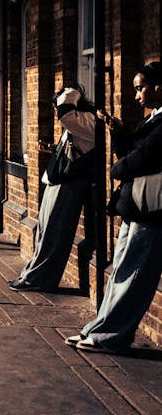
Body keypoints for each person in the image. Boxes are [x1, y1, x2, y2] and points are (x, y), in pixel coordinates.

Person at [66, 63, 162, 354]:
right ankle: (98, 329)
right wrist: (119, 132)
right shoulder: (153, 119)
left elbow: (143, 157)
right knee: (122, 270)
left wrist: (115, 170)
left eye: (140, 88)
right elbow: (132, 151)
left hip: (152, 211)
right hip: (137, 207)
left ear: (158, 87)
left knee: (135, 277)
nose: (137, 96)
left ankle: (111, 335)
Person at [8, 85, 95, 292]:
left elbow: (65, 114)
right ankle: (32, 275)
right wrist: (51, 149)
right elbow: (74, 149)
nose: (56, 111)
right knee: (45, 233)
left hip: (70, 185)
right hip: (58, 182)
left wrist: (69, 93)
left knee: (54, 236)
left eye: (57, 106)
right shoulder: (76, 123)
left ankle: (37, 279)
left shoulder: (85, 120)